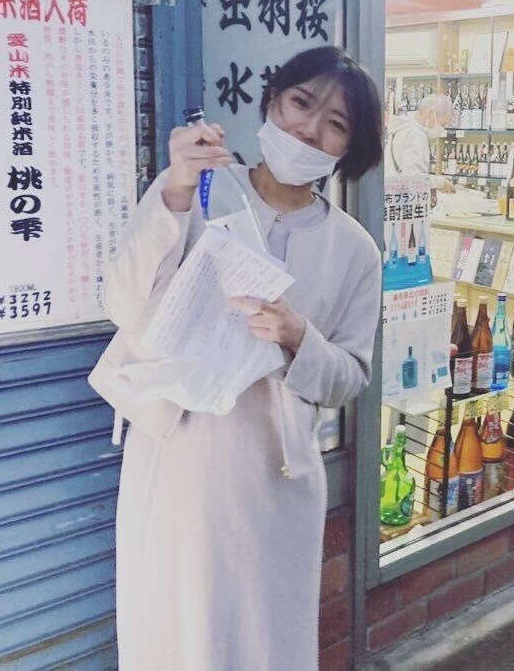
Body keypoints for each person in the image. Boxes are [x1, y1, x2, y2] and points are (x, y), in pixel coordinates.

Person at [90, 46, 383, 670]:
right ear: (271, 102)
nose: (309, 128)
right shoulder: (197, 193)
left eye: (335, 123)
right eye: (301, 102)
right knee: (176, 632)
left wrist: (299, 336)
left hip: (275, 476)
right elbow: (122, 302)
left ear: (349, 148)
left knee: (262, 641)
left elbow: (349, 378)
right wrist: (173, 191)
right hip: (178, 455)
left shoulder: (356, 250)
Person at [385, 92, 455, 192]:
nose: (443, 129)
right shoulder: (416, 134)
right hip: (403, 196)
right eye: (443, 124)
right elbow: (414, 180)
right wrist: (440, 183)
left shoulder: (403, 129)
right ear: (430, 113)